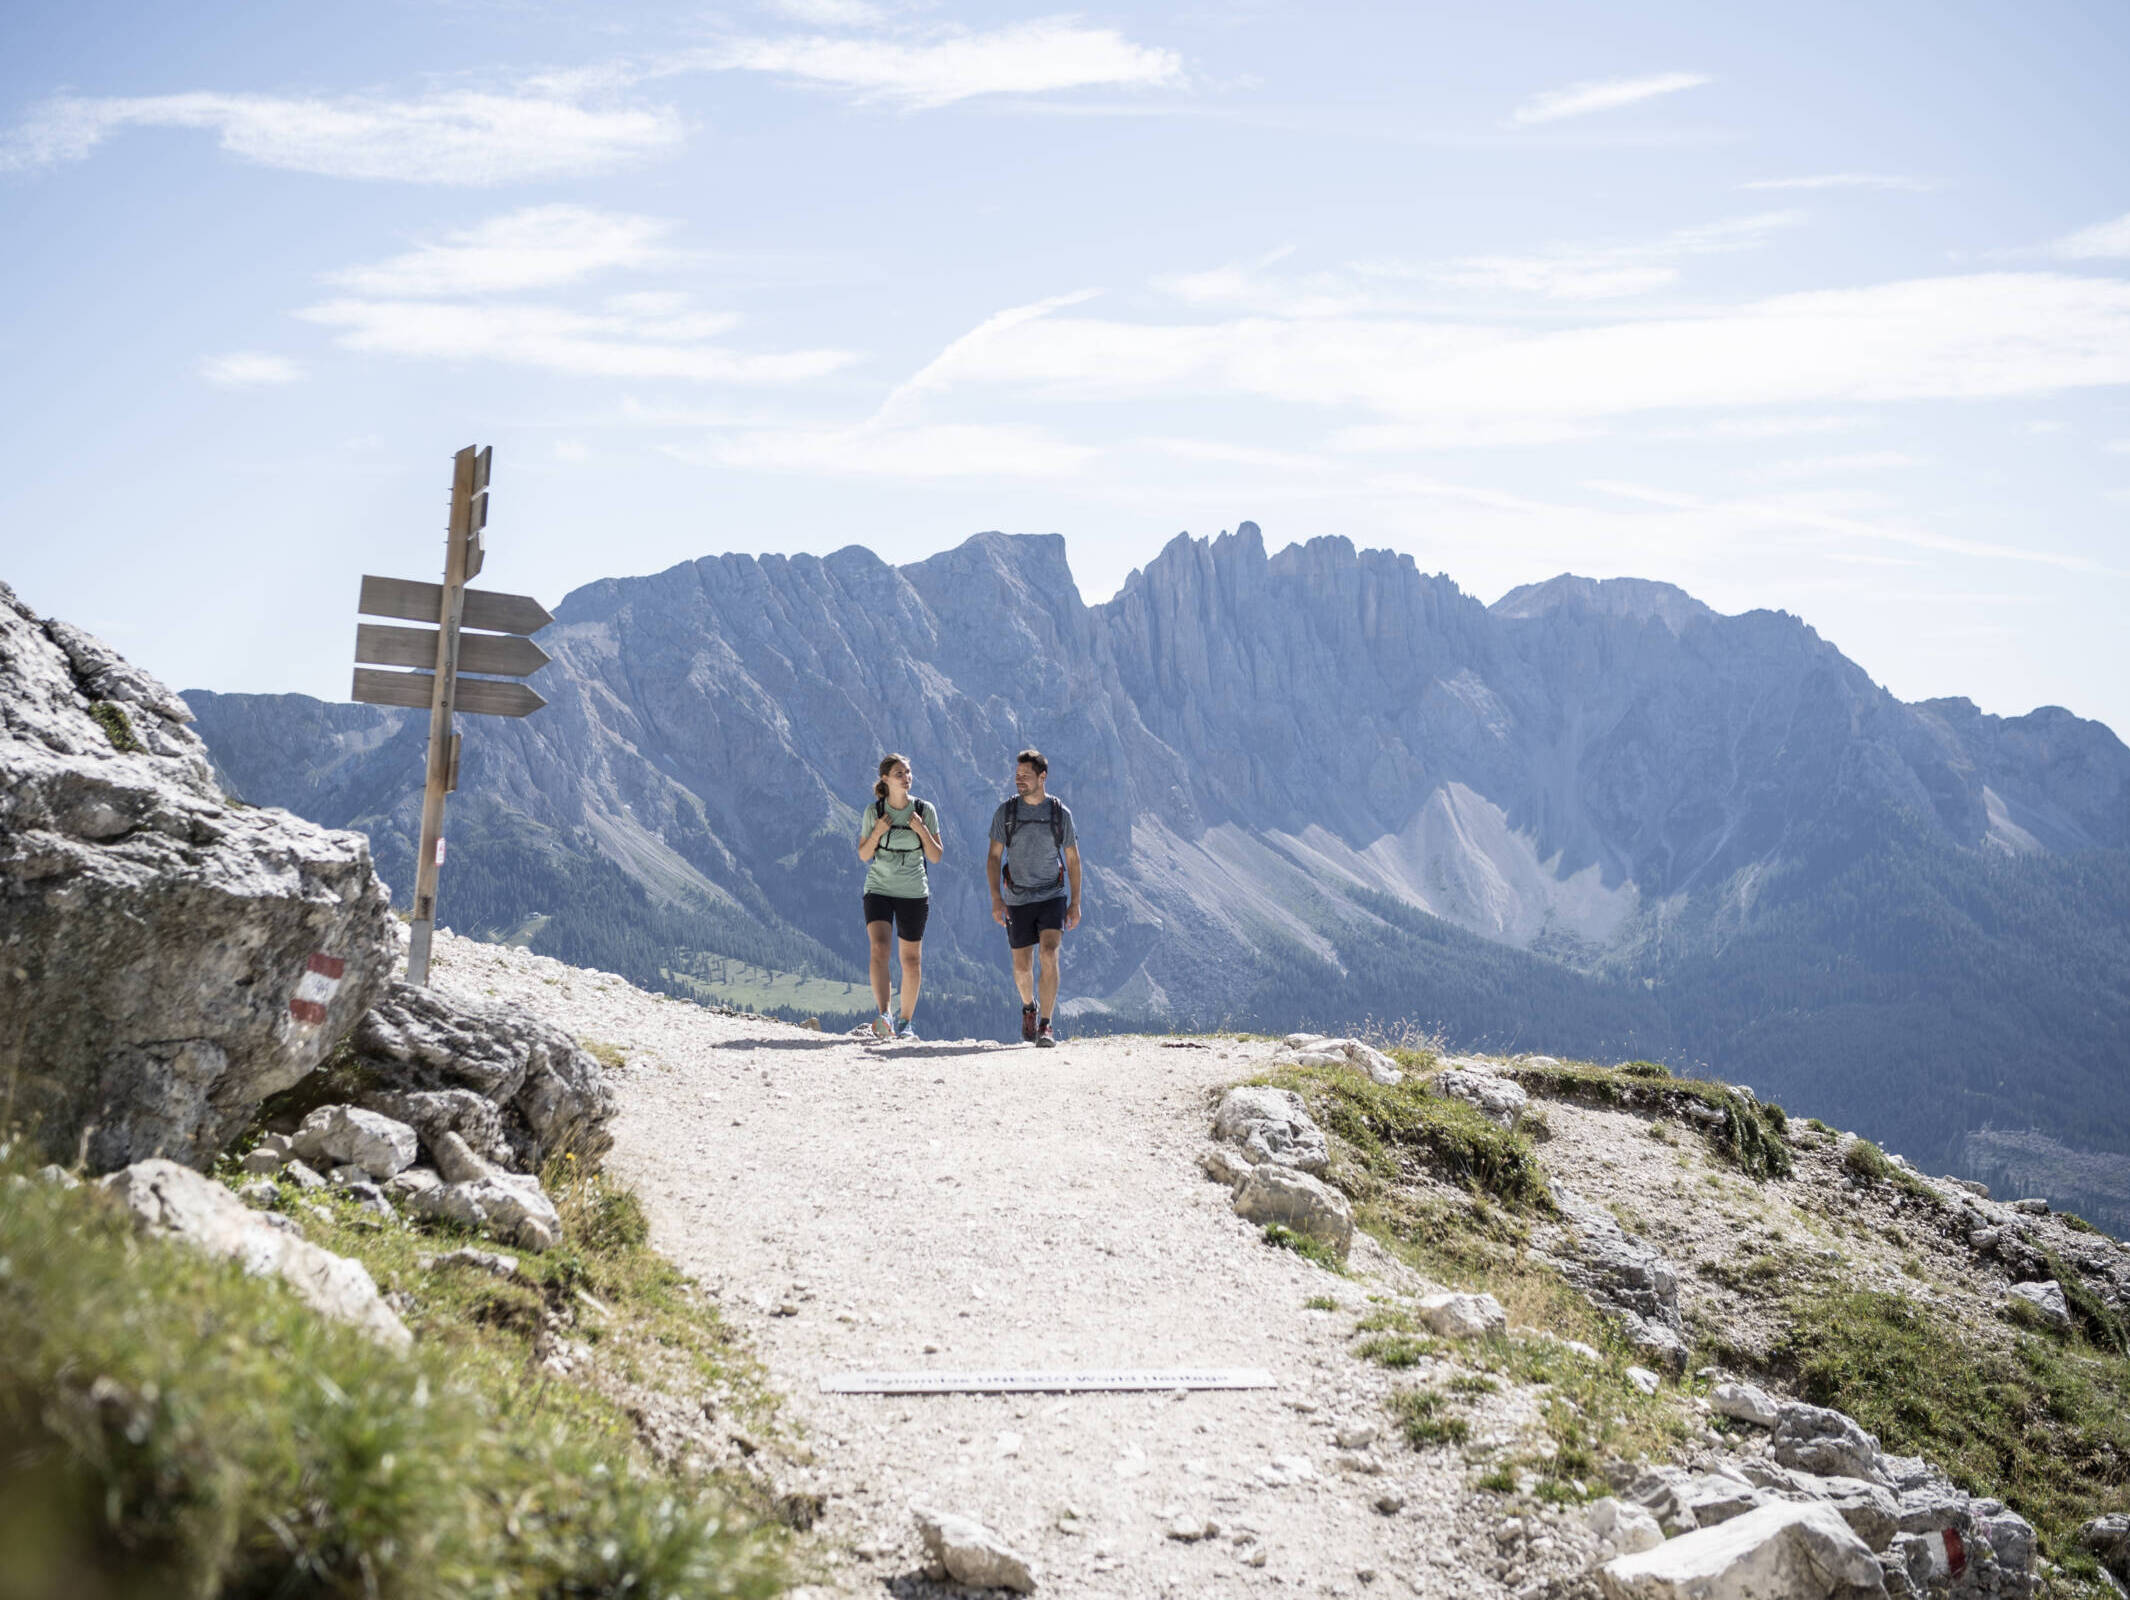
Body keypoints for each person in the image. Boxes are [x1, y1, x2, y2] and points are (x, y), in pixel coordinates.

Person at [986, 748, 1080, 1047]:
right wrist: (996, 899)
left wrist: (1075, 902)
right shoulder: (1006, 812)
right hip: (1016, 898)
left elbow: (1073, 860)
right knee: (1022, 967)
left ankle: (1046, 1025)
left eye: (1026, 776)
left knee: (1049, 953)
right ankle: (1029, 1006)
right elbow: (993, 857)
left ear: (1043, 777)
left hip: (1052, 894)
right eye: (1017, 776)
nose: (1019, 781)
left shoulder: (1059, 814)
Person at [856, 753, 942, 1039]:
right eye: (899, 773)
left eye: (908, 772)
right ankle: (885, 1015)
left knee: (911, 959)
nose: (906, 777)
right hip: (879, 887)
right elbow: (864, 854)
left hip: (914, 891)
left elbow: (936, 855)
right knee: (879, 948)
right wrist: (878, 831)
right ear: (885, 779)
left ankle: (905, 1022)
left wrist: (921, 830)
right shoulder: (874, 811)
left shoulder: (924, 809)